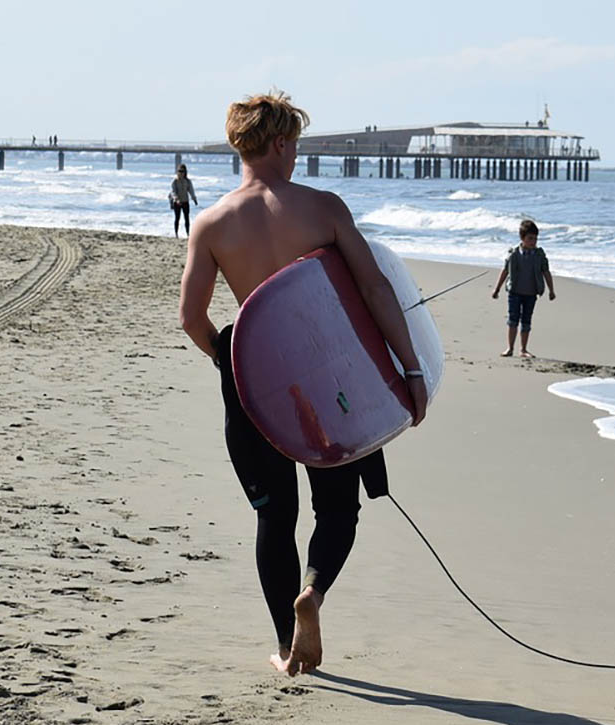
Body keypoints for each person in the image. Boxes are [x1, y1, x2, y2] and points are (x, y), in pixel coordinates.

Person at [178, 91, 428, 677]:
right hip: (326, 382)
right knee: (337, 509)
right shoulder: (323, 208)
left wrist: (231, 359)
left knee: (274, 517)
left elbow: (191, 318)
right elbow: (374, 290)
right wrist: (410, 370)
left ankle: (289, 645)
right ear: (282, 143)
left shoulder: (213, 223)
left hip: (255, 387)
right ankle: (312, 593)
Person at [490, 219, 556, 357]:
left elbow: (546, 272)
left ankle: (523, 349)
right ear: (522, 238)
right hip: (514, 292)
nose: (533, 242)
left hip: (531, 293)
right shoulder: (514, 254)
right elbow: (505, 271)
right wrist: (496, 289)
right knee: (513, 319)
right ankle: (510, 348)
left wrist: (551, 290)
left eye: (535, 239)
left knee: (526, 321)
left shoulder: (539, 255)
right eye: (530, 238)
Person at [169, 164, 199, 238]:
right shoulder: (174, 181)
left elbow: (191, 190)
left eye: (182, 171)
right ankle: (176, 234)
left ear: (185, 172)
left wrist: (194, 198)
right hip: (177, 203)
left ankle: (188, 234)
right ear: (177, 172)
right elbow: (173, 191)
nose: (181, 173)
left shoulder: (187, 181)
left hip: (185, 201)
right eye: (179, 171)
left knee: (186, 218)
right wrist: (176, 199)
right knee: (177, 218)